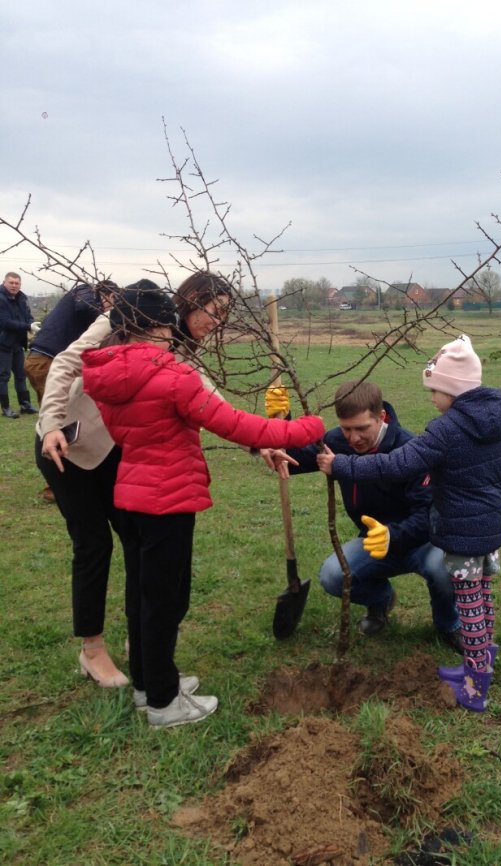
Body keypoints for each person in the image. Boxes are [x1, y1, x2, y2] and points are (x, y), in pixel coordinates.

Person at [36, 273, 291, 697]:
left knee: (140, 549)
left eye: (225, 314)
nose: (217, 321)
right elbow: (65, 363)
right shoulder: (129, 316)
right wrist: (49, 425)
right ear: (193, 299)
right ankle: (92, 650)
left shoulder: (180, 348)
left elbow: (208, 399)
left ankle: (143, 651)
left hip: (120, 454)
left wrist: (259, 441)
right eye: (215, 310)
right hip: (67, 446)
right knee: (93, 545)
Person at [81, 285, 324, 728]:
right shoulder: (172, 376)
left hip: (131, 495)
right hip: (168, 499)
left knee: (141, 596)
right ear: (158, 326)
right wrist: (305, 429)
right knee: (164, 601)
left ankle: (148, 683)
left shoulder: (108, 374)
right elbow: (234, 424)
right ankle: (163, 703)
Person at [316, 336, 501, 712]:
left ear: (453, 389)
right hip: (490, 531)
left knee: (469, 609)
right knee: (483, 600)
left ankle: (475, 685)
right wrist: (488, 507)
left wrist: (343, 465)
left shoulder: (446, 429)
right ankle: (482, 662)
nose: (432, 399)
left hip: (460, 534)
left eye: (435, 391)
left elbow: (397, 464)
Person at [263, 380, 462, 649]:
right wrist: (280, 424)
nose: (354, 438)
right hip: (372, 542)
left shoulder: (410, 449)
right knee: (333, 575)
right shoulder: (336, 443)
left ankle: (449, 623)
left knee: (444, 568)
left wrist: (391, 535)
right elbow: (291, 459)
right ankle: (380, 601)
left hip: (422, 542)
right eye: (347, 429)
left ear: (381, 417)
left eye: (362, 429)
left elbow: (427, 518)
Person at [24, 280, 119, 502]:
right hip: (46, 360)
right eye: (113, 300)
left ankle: (61, 477)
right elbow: (84, 306)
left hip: (43, 358)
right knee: (59, 417)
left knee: (58, 416)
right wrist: (104, 317)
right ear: (106, 293)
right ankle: (59, 480)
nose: (112, 306)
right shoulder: (85, 291)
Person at [0, 272, 39, 418]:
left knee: (21, 375)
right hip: (3, 344)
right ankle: (6, 408)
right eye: (11, 283)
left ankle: (25, 405)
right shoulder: (1, 299)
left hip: (18, 343)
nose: (14, 286)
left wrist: (31, 324)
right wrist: (27, 326)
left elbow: (27, 316)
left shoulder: (22, 298)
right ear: (5, 282)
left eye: (17, 283)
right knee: (3, 376)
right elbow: (5, 322)